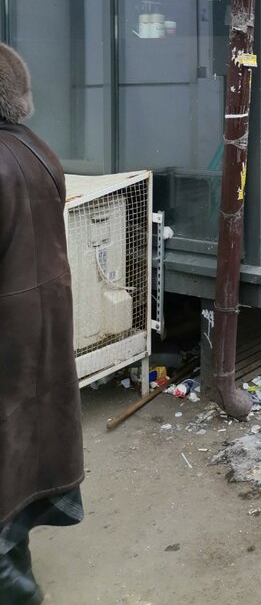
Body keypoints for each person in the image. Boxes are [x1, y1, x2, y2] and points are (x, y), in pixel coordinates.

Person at [0, 44, 84, 605]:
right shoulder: (34, 148)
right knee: (19, 456)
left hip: (8, 334)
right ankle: (18, 571)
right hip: (36, 331)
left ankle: (16, 588)